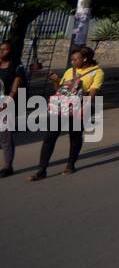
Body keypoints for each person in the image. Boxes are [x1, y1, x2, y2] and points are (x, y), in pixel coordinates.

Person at [29, 45, 103, 180]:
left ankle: (70, 164)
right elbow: (60, 90)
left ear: (85, 59)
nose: (72, 62)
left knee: (74, 137)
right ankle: (42, 169)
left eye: (75, 59)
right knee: (49, 137)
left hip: (78, 108)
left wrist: (84, 108)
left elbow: (93, 92)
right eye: (72, 60)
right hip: (61, 108)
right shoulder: (70, 71)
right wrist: (55, 80)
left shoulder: (97, 72)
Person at [0, 41, 26, 178]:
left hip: (6, 104)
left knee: (5, 137)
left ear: (11, 51)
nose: (1, 52)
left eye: (5, 50)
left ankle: (7, 166)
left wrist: (6, 103)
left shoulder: (17, 67)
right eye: (0, 49)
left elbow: (14, 89)